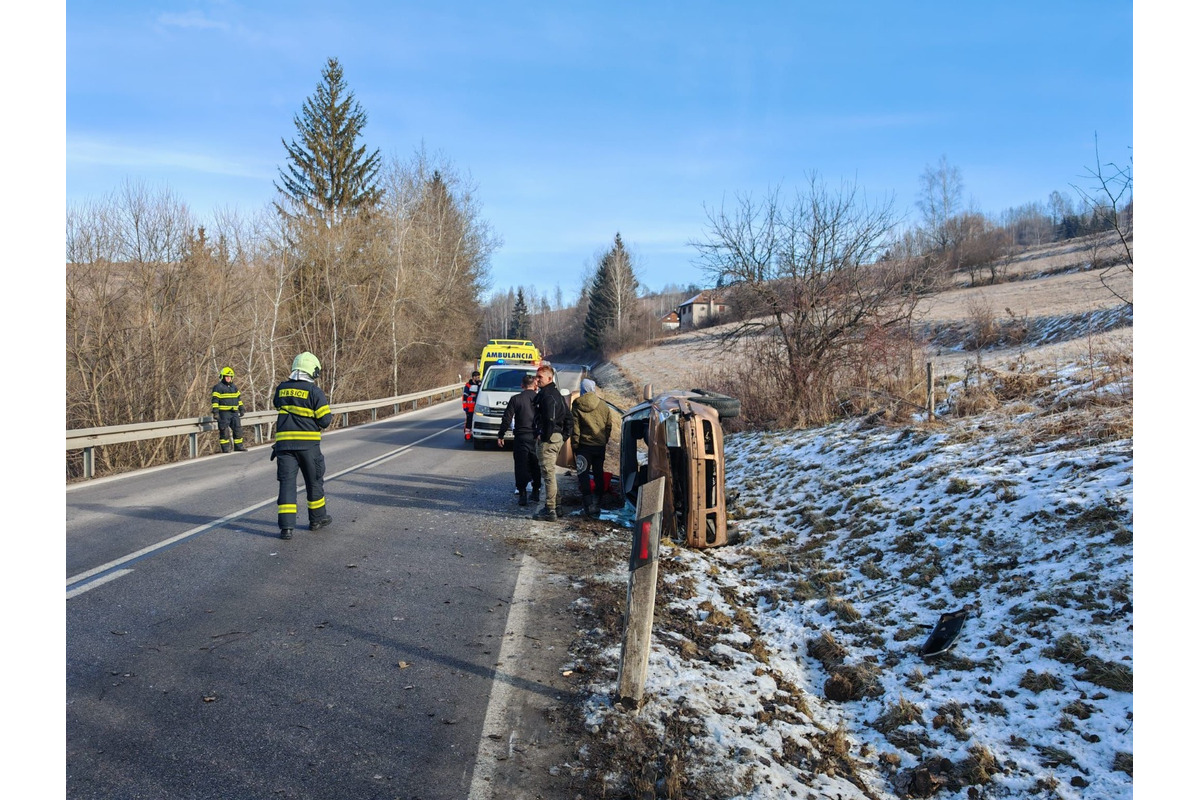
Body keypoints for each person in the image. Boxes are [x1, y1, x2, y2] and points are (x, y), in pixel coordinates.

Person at [272, 351, 334, 540]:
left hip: (284, 446)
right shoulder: (314, 391)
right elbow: (325, 420)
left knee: (287, 485)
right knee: (314, 482)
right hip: (308, 446)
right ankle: (317, 520)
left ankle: (286, 528)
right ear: (312, 371)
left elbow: (277, 405)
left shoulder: (281, 389)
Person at [532, 363, 572, 521]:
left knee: (548, 475)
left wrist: (545, 436)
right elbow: (569, 418)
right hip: (556, 437)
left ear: (549, 378)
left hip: (549, 439)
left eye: (540, 377)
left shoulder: (548, 396)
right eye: (536, 377)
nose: (537, 380)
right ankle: (558, 506)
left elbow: (549, 419)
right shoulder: (556, 394)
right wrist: (563, 437)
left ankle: (550, 510)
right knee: (551, 475)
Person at [496, 372, 541, 506]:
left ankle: (522, 493)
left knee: (521, 464)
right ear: (535, 385)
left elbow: (507, 418)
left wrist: (501, 435)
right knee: (535, 464)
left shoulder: (516, 399)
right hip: (536, 436)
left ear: (522, 385)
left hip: (521, 436)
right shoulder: (539, 399)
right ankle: (536, 491)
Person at [571, 378, 612, 519]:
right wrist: (604, 440)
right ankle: (598, 502)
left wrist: (575, 445)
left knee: (583, 474)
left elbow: (575, 428)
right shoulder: (603, 405)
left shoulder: (577, 404)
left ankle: (588, 504)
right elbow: (608, 426)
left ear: (582, 389)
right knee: (598, 472)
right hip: (599, 446)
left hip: (583, 446)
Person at [211, 366, 247, 453]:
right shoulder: (218, 387)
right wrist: (215, 412)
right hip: (223, 413)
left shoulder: (234, 387)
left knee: (238, 429)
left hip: (234, 412)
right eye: (226, 376)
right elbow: (215, 400)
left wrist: (241, 408)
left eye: (230, 377)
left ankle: (238, 446)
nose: (228, 378)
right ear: (222, 377)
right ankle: (225, 448)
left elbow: (238, 399)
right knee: (224, 431)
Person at [462, 370, 482, 440]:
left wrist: (479, 385)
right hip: (469, 407)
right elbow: (465, 397)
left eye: (479, 377)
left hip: (478, 406)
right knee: (469, 420)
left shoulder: (480, 384)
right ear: (473, 377)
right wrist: (465, 407)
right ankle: (468, 434)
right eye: (477, 377)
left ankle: (475, 433)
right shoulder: (468, 385)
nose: (478, 378)